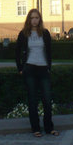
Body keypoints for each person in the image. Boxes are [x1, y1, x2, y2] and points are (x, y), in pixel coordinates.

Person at [15, 9, 58, 137]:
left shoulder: (45, 33)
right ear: (29, 19)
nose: (34, 20)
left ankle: (49, 128)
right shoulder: (23, 34)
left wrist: (49, 67)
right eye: (32, 18)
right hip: (30, 69)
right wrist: (20, 69)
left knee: (47, 99)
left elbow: (49, 51)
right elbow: (17, 52)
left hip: (43, 68)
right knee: (32, 100)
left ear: (40, 20)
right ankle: (36, 128)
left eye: (37, 18)